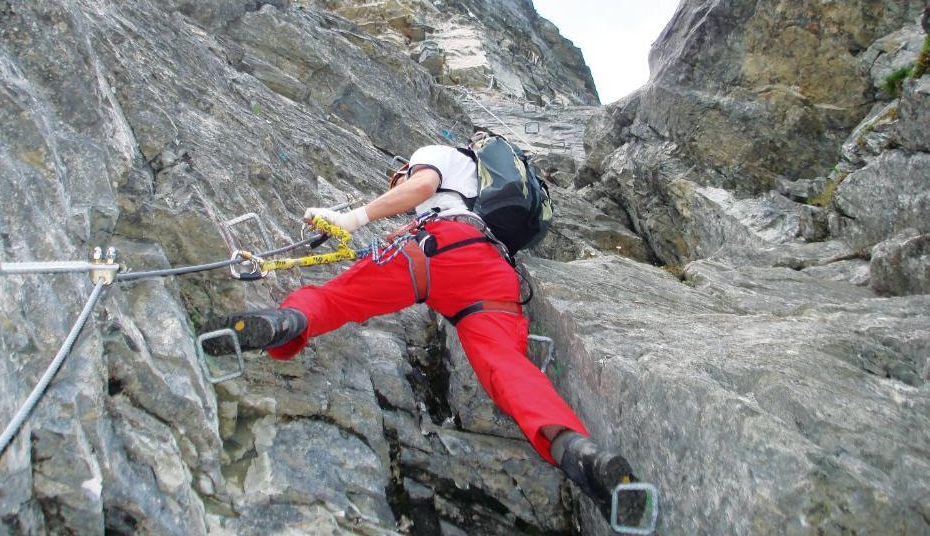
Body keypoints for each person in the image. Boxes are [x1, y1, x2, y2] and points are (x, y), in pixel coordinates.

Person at [203, 142, 645, 524]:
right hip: (491, 271)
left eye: (396, 177)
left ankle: (285, 323)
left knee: (337, 298)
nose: (397, 182)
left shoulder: (433, 155)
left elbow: (421, 189)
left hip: (434, 248)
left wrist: (354, 218)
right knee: (506, 367)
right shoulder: (485, 184)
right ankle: (579, 453)